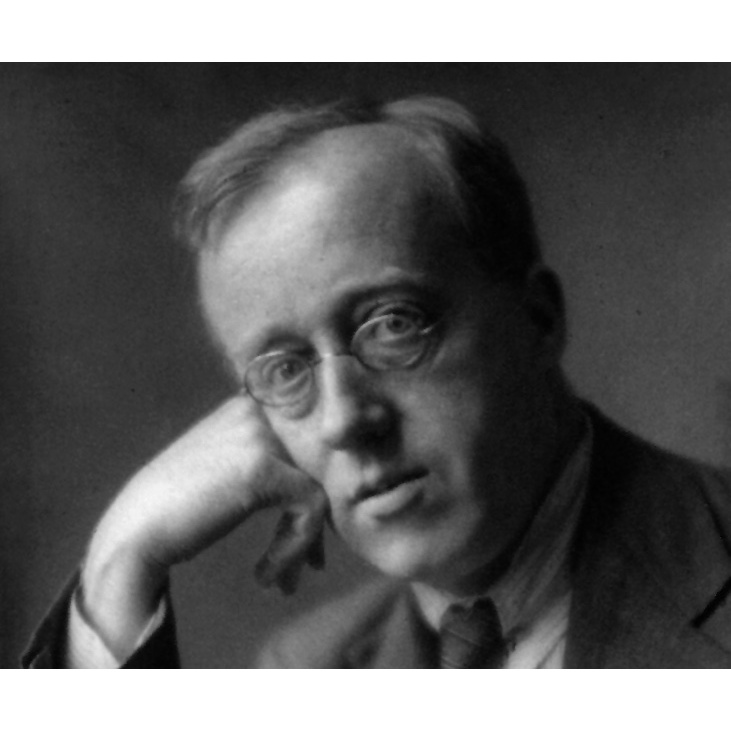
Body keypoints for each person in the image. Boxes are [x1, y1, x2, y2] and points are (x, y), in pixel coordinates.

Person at [23, 95, 731, 668]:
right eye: (284, 370)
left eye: (393, 324)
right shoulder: (306, 671)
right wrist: (121, 556)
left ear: (538, 320)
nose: (343, 420)